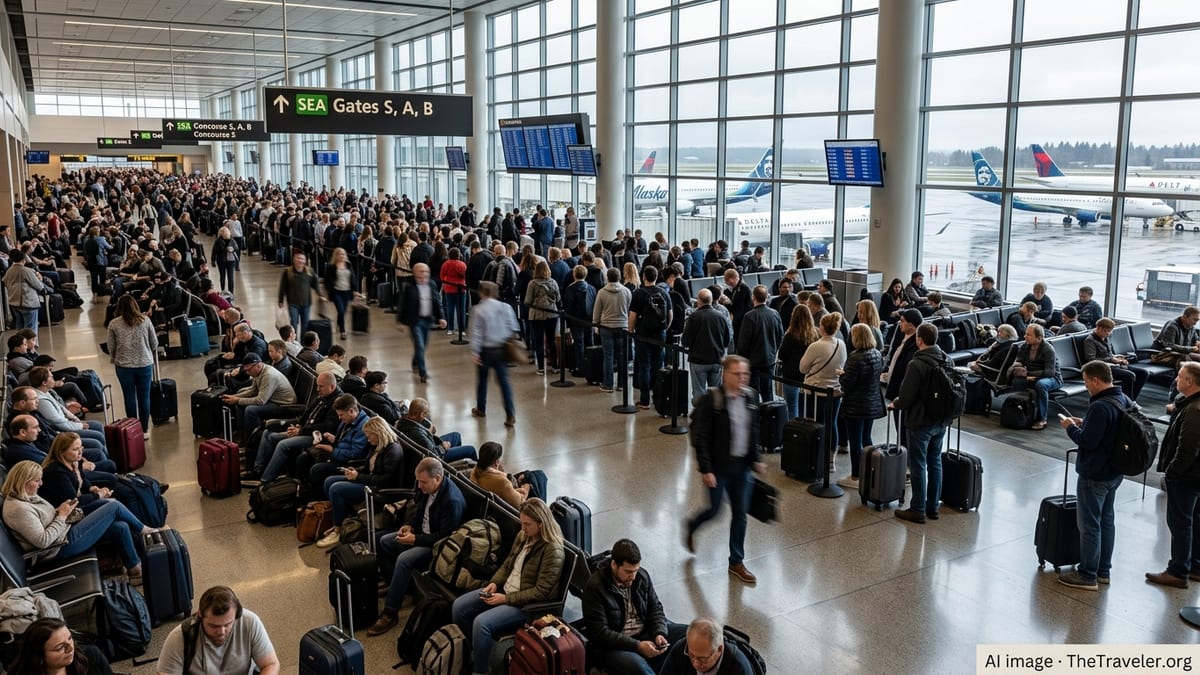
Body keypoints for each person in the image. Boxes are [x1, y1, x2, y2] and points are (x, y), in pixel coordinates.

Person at [451, 498, 565, 675]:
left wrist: (506, 599)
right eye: (522, 523)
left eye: (527, 524)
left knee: (481, 624)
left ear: (541, 524)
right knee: (459, 607)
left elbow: (542, 591)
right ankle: (478, 650)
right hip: (505, 592)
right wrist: (494, 583)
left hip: (525, 605)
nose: (523, 528)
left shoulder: (553, 550)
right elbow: (507, 564)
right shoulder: (524, 536)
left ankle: (480, 671)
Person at [684, 355, 765, 584]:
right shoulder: (712, 399)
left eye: (745, 374)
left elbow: (752, 431)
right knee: (714, 510)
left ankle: (736, 561)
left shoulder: (750, 397)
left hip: (742, 468)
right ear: (725, 374)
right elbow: (701, 437)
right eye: (737, 374)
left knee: (740, 514)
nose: (742, 379)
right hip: (718, 468)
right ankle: (692, 525)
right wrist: (706, 470)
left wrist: (756, 459)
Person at [1, 460, 153, 582]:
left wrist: (60, 511)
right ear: (23, 481)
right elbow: (43, 541)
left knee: (119, 527)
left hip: (64, 533)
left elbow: (44, 519)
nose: (40, 484)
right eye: (37, 480)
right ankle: (145, 531)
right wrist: (61, 516)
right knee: (112, 506)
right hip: (59, 547)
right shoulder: (18, 509)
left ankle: (134, 569)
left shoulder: (27, 495)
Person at [367, 458, 466, 637]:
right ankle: (395, 584)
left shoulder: (452, 501)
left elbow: (444, 538)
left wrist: (415, 540)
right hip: (420, 534)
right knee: (383, 541)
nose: (419, 486)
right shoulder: (427, 488)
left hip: (436, 546)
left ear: (437, 478)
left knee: (404, 560)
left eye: (423, 482)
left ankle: (390, 612)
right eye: (419, 481)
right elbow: (420, 510)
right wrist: (410, 526)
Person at [1057, 360, 1129, 590]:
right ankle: (1103, 570)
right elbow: (1108, 432)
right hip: (1115, 471)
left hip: (1094, 474)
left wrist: (1070, 426)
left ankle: (1087, 574)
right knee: (1107, 521)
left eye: (1087, 381)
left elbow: (1087, 441)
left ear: (1096, 380)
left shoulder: (1100, 406)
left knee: (1089, 525)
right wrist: (1085, 423)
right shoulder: (1123, 399)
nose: (1086, 386)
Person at [581, 538, 686, 675]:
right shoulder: (595, 587)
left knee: (690, 633)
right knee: (638, 666)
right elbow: (600, 633)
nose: (633, 576)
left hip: (646, 632)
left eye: (635, 570)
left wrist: (659, 632)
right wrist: (637, 646)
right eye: (628, 572)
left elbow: (655, 609)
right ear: (614, 565)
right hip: (615, 646)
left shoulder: (642, 576)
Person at [891, 323, 954, 524]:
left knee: (917, 464)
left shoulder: (916, 364)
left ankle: (917, 508)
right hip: (941, 419)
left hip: (920, 421)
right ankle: (932, 506)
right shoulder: (947, 360)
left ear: (919, 340)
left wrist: (896, 403)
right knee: (935, 462)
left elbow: (907, 396)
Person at [1146, 362, 1200, 589]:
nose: (1176, 379)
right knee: (1194, 521)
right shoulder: (1189, 404)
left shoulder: (1193, 409)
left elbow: (1188, 447)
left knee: (1180, 524)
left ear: (1190, 382)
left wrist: (1172, 471)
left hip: (1187, 477)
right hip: (1195, 475)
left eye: (1179, 376)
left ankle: (1178, 571)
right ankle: (1194, 566)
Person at [316, 416, 405, 549]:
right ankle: (341, 520)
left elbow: (385, 480)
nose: (368, 439)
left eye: (369, 436)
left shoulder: (393, 451)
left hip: (378, 488)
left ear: (379, 433)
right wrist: (355, 471)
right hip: (369, 480)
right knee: (329, 481)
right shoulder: (376, 446)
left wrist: (358, 477)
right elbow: (368, 467)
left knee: (336, 488)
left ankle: (338, 528)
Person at [156, 585, 280, 675]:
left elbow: (271, 664)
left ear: (236, 615)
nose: (221, 631)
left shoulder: (250, 622)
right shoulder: (180, 637)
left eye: (228, 624)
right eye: (213, 626)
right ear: (200, 615)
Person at [247, 373, 341, 485]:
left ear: (332, 386)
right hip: (305, 430)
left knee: (283, 445)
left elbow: (327, 427)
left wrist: (300, 431)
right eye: (317, 386)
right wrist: (298, 425)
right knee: (268, 434)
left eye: (321, 386)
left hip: (317, 436)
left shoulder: (337, 402)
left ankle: (265, 481)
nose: (317, 389)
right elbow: (307, 412)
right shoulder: (324, 395)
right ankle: (258, 469)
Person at [838, 324, 886, 490]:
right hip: (872, 403)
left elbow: (847, 384)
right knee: (867, 439)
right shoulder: (877, 354)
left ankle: (856, 475)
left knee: (855, 441)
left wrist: (842, 376)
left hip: (856, 405)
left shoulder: (855, 358)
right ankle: (870, 471)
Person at [470, 281, 520, 427]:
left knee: (482, 380)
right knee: (504, 382)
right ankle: (510, 413)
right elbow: (513, 328)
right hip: (501, 349)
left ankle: (481, 408)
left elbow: (476, 333)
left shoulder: (478, 310)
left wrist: (475, 352)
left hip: (485, 350)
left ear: (481, 293)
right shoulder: (506, 307)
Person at [106, 294, 158, 433]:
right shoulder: (145, 320)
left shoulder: (114, 324)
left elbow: (111, 347)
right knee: (144, 396)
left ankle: (133, 430)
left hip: (124, 366)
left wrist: (116, 357)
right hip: (145, 364)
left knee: (129, 397)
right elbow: (154, 343)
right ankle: (145, 429)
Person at [219, 353, 297, 437]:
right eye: (246, 370)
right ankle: (241, 434)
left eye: (249, 370)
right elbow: (253, 390)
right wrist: (235, 397)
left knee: (251, 410)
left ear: (258, 365)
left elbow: (260, 401)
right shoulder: (259, 372)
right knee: (240, 401)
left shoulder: (269, 375)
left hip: (284, 405)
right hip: (272, 400)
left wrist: (237, 399)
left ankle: (252, 440)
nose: (248, 373)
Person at [680, 289, 733, 405]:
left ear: (699, 301)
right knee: (716, 392)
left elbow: (685, 341)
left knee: (699, 391)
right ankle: (714, 417)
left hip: (698, 360)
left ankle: (701, 417)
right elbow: (727, 339)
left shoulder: (694, 317)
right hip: (716, 360)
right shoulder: (721, 316)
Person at [629, 266, 672, 410]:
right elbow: (670, 314)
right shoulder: (664, 293)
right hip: (660, 334)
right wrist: (665, 328)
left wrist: (631, 330)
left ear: (643, 277)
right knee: (658, 365)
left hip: (643, 334)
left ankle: (645, 400)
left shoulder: (639, 293)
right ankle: (657, 398)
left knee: (644, 366)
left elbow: (633, 316)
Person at [7, 617, 112, 675]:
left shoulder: (91, 655)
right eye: (60, 647)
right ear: (39, 656)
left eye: (70, 638)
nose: (71, 648)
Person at [1009, 324, 1062, 430]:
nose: (1025, 337)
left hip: (1052, 379)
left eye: (1028, 335)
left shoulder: (1048, 349)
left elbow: (1050, 372)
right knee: (1016, 381)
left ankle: (1042, 419)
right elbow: (1018, 361)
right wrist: (1018, 367)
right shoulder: (1024, 346)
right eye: (1025, 334)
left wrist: (1029, 374)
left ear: (1039, 338)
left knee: (1041, 385)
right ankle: (1024, 413)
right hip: (1031, 376)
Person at [400, 262, 446, 384]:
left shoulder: (431, 284)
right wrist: (401, 322)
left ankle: (415, 361)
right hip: (415, 321)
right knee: (419, 345)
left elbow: (437, 301)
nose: (423, 274)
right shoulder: (409, 286)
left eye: (425, 272)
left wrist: (441, 317)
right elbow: (403, 305)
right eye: (420, 272)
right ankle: (423, 373)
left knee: (422, 346)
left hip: (427, 320)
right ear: (415, 273)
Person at [659, 617, 752, 675]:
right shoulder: (682, 649)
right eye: (691, 656)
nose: (695, 663)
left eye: (703, 659)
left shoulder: (739, 668)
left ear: (719, 649)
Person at [737, 286, 783, 403]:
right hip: (770, 359)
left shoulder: (749, 316)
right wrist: (773, 351)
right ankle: (769, 417)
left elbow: (744, 343)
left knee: (753, 391)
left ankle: (756, 417)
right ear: (767, 297)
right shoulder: (775, 314)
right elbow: (780, 336)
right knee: (767, 390)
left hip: (753, 361)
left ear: (753, 297)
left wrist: (742, 358)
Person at [395, 398, 477, 463]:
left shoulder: (404, 420)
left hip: (427, 447)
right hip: (435, 458)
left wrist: (435, 437)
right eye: (426, 413)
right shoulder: (417, 434)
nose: (427, 415)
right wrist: (443, 447)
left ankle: (455, 463)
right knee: (471, 450)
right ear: (422, 414)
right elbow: (434, 455)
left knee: (456, 435)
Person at [469, 441, 546, 508]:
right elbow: (520, 504)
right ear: (496, 462)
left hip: (496, 498)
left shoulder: (476, 470)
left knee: (528, 474)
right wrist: (526, 489)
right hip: (514, 508)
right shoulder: (502, 482)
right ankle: (543, 512)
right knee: (538, 476)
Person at [594, 267, 632, 394]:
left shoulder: (602, 292)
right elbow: (628, 309)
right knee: (622, 356)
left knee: (608, 356)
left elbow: (597, 311)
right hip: (622, 326)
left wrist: (596, 325)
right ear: (619, 277)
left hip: (606, 327)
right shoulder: (626, 291)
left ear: (607, 278)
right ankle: (621, 383)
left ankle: (608, 384)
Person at [777, 305, 819, 420]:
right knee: (805, 408)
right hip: (808, 376)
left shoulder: (790, 335)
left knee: (792, 408)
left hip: (790, 376)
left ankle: (793, 434)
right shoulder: (816, 334)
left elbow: (782, 354)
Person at [524, 260, 561, 376]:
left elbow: (528, 301)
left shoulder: (532, 284)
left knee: (538, 341)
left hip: (536, 315)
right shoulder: (553, 282)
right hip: (552, 314)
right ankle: (555, 366)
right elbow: (558, 298)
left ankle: (540, 367)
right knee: (551, 341)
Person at [4, 250, 50, 332]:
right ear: (23, 260)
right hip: (28, 303)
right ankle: (30, 344)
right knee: (30, 328)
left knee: (19, 326)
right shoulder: (26, 271)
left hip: (14, 303)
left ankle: (21, 344)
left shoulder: (8, 271)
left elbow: (5, 282)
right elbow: (38, 286)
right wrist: (40, 279)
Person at [278, 251, 320, 335]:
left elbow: (315, 284)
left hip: (306, 303)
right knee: (294, 323)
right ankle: (295, 341)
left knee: (305, 324)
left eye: (302, 259)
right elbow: (283, 287)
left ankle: (303, 342)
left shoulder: (309, 272)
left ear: (305, 261)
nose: (300, 261)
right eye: (298, 258)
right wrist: (281, 300)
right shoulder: (288, 272)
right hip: (293, 303)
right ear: (294, 260)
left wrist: (320, 294)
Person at [322, 247, 358, 341]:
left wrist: (355, 290)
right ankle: (343, 331)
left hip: (347, 291)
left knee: (343, 312)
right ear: (336, 256)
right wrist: (326, 292)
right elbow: (326, 280)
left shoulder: (348, 265)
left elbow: (353, 278)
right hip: (336, 291)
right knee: (341, 310)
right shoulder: (331, 266)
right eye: (339, 254)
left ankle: (339, 323)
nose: (341, 256)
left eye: (342, 254)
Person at [440, 247, 468, 335]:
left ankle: (450, 328)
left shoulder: (446, 264)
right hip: (461, 288)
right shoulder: (462, 264)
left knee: (450, 309)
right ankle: (462, 329)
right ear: (459, 255)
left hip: (449, 288)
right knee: (461, 310)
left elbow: (441, 276)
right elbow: (465, 276)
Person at [210, 227, 240, 299]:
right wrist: (231, 249)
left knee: (222, 276)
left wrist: (213, 260)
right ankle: (231, 294)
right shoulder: (232, 240)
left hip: (221, 260)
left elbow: (214, 251)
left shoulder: (217, 241)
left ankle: (223, 292)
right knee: (230, 277)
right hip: (231, 260)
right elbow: (236, 248)